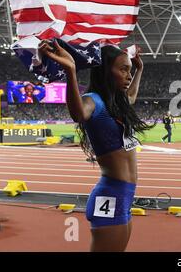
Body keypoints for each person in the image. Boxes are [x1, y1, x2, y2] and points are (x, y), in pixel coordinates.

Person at [39, 39, 152, 252]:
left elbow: (132, 95)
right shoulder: (94, 101)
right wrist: (71, 71)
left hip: (123, 196)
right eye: (123, 70)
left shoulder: (117, 103)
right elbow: (79, 113)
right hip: (110, 195)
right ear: (106, 72)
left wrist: (139, 69)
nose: (128, 75)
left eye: (129, 70)